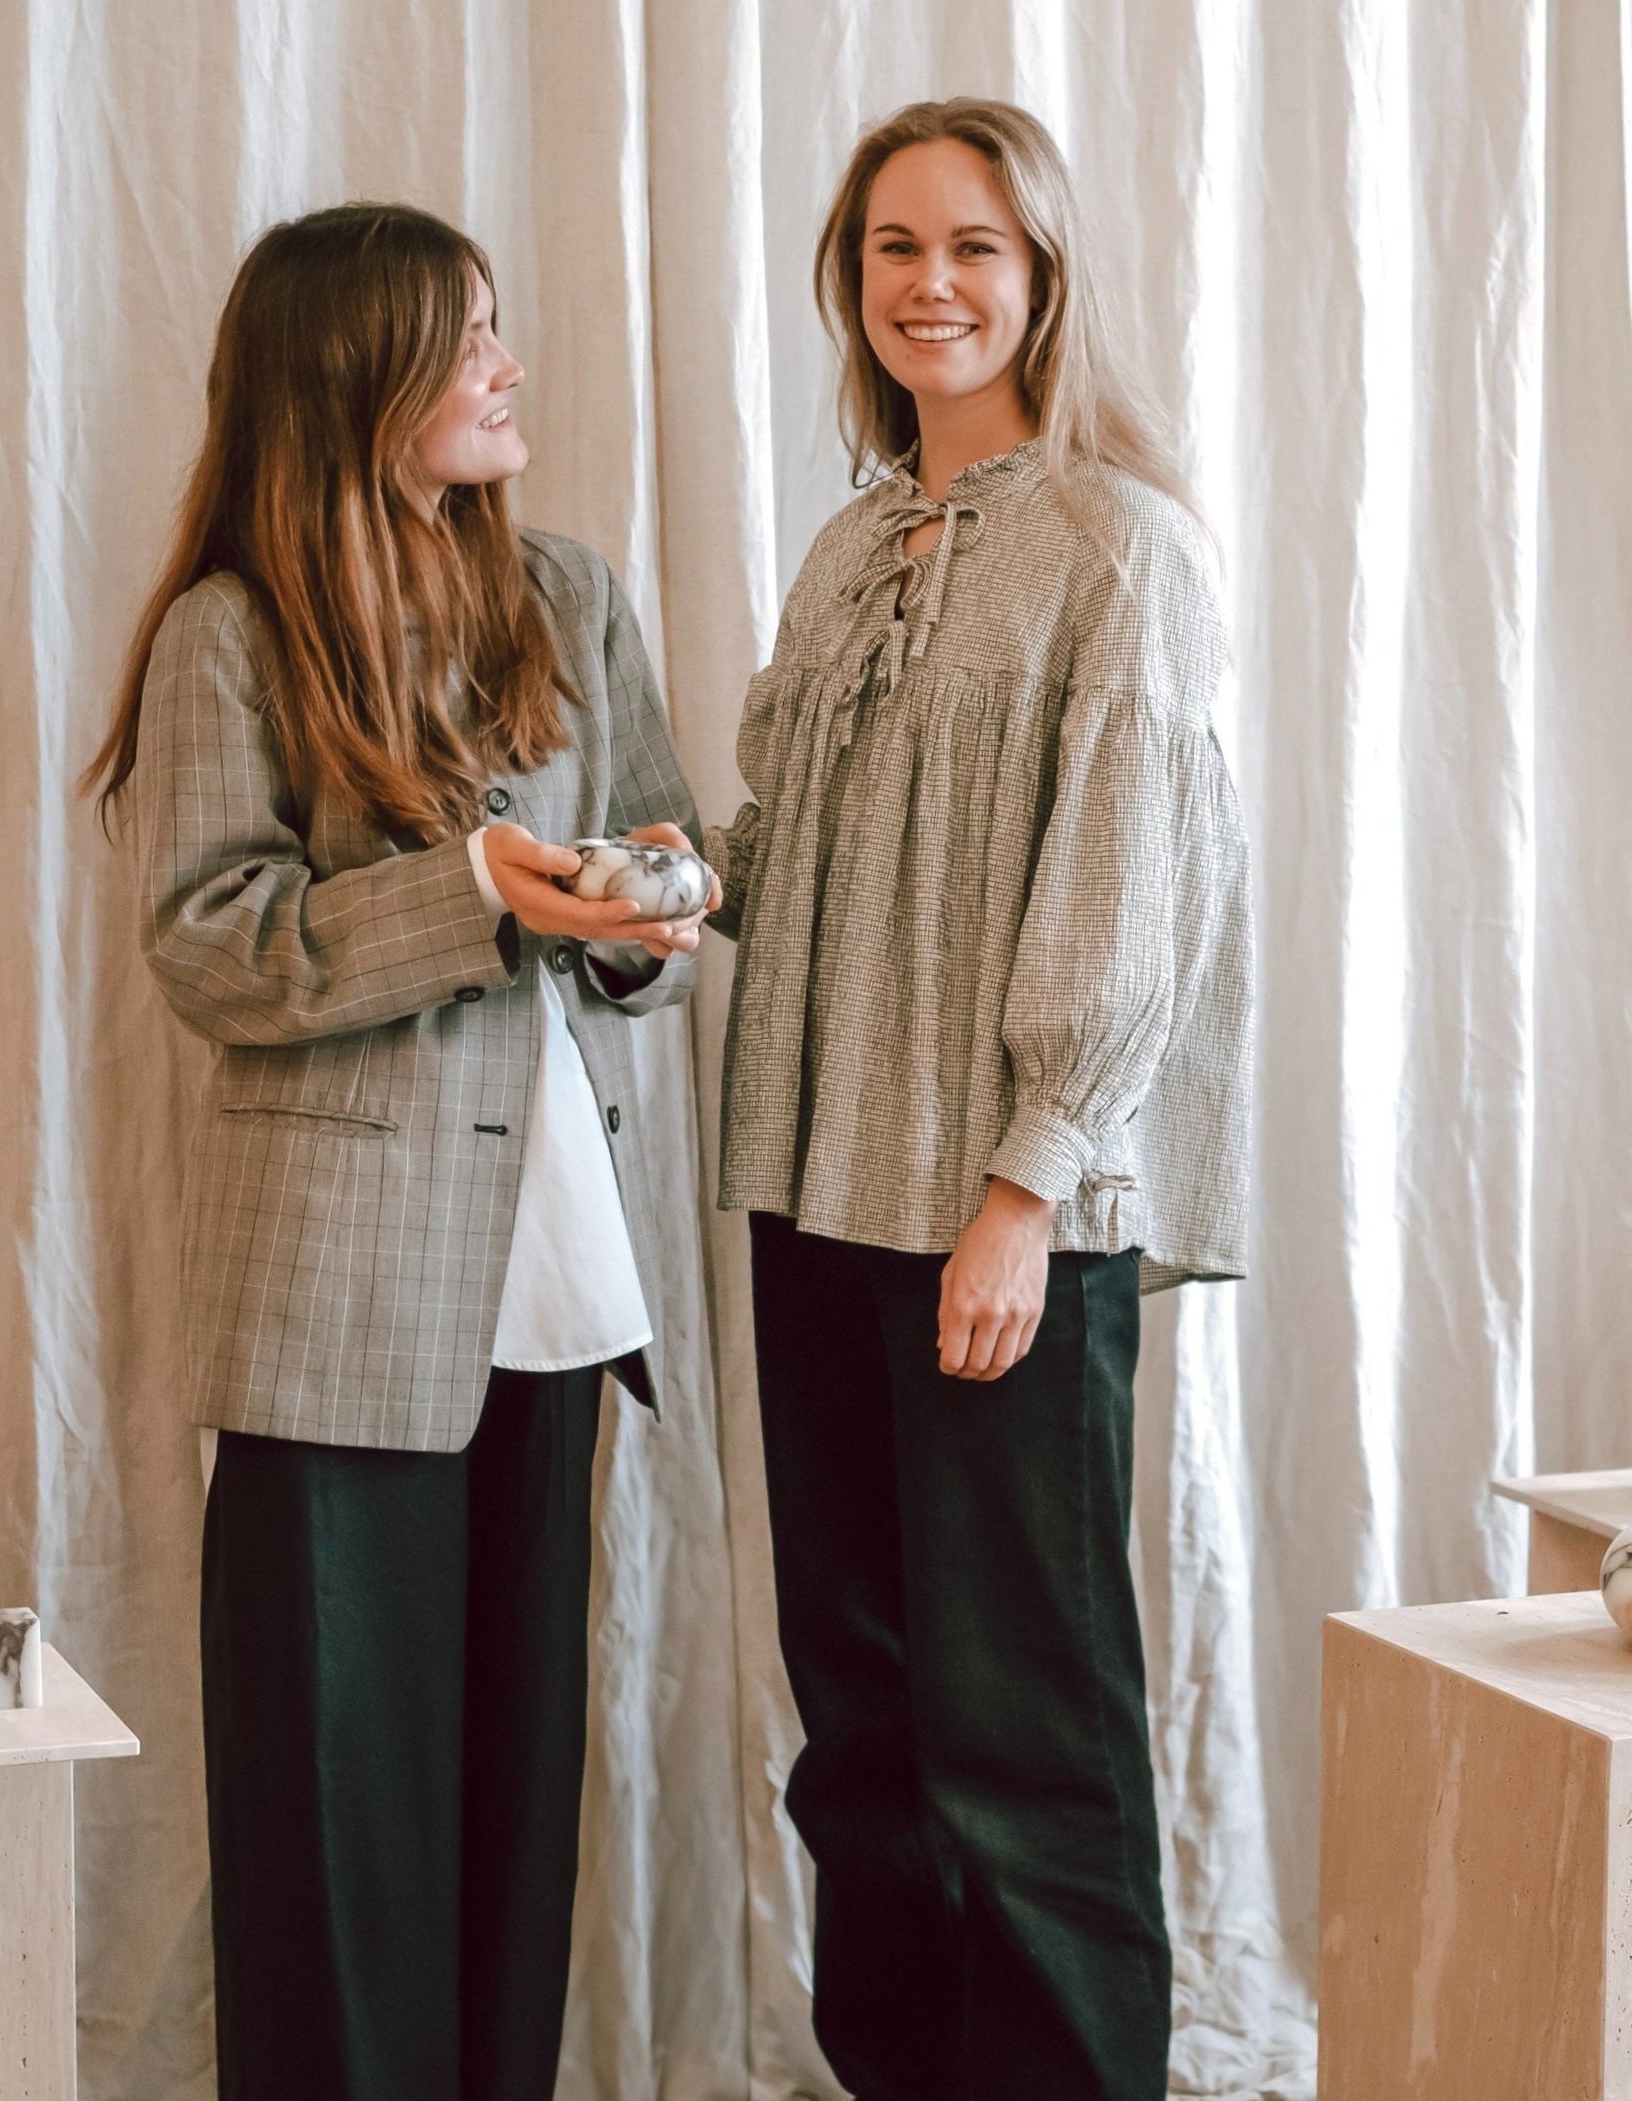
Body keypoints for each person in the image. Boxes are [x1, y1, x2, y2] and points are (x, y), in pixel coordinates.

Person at [83, 203, 712, 2101]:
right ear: (356, 377)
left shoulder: (570, 595)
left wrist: (644, 907)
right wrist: (475, 893)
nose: (511, 369)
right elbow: (213, 943)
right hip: (337, 1303)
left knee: (514, 1804)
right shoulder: (230, 634)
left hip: (557, 1273)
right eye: (470, 339)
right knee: (336, 1823)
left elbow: (665, 853)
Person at [703, 98, 1253, 2101]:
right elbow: (793, 852)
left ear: (1042, 278)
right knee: (859, 1715)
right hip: (813, 1188)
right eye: (890, 247)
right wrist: (662, 887)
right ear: (846, 280)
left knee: (1025, 1727)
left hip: (995, 1216)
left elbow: (1128, 892)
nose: (926, 284)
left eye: (970, 247)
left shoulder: (1118, 546)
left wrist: (1023, 1187)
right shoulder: (851, 546)